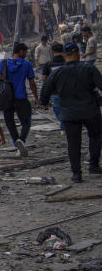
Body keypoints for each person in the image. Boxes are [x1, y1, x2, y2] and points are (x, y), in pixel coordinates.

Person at [40, 42, 102, 182]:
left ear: (64, 54)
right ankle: (93, 165)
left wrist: (44, 103)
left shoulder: (58, 73)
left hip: (68, 114)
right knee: (95, 137)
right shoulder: (89, 69)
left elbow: (45, 89)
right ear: (78, 53)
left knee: (73, 143)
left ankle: (76, 174)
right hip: (90, 111)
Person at [0, 42, 39, 156]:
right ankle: (22, 140)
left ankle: (16, 143)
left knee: (10, 122)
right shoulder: (26, 64)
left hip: (7, 99)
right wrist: (36, 98)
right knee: (26, 121)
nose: (26, 54)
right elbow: (32, 83)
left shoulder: (3, 63)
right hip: (21, 97)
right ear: (21, 51)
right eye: (25, 52)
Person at [41, 42, 66, 129]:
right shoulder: (67, 63)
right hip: (68, 90)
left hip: (55, 91)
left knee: (58, 110)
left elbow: (44, 79)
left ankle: (63, 126)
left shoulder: (48, 64)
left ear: (52, 51)